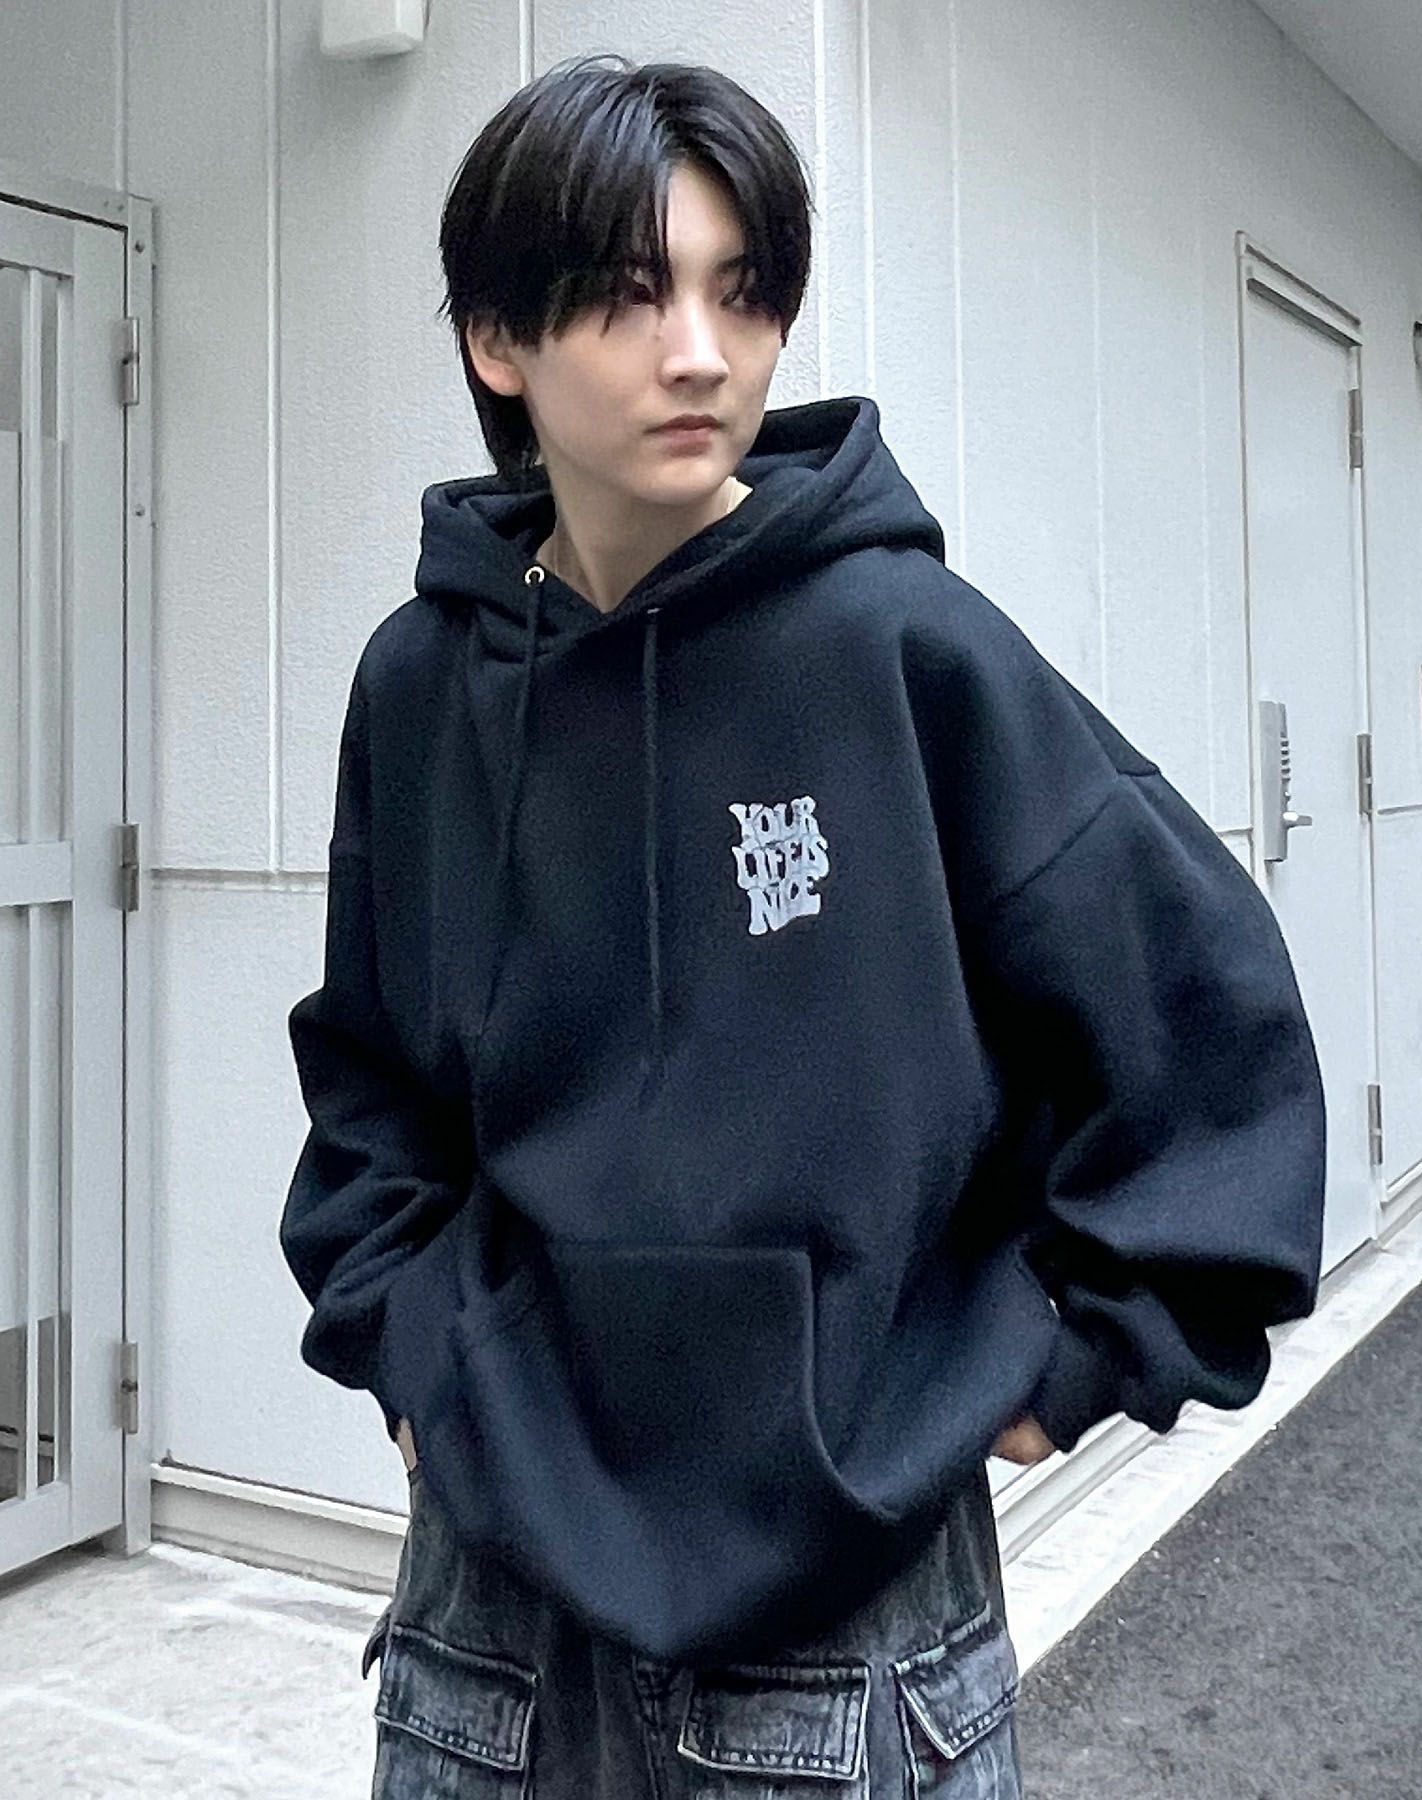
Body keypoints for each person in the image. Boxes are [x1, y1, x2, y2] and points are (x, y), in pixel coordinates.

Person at [279, 51, 1327, 1798]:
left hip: (845, 1621)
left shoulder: (903, 647)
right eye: (631, 296)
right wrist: (415, 1363)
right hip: (489, 1615)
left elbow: (1206, 1032)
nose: (703, 351)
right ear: (496, 340)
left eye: (743, 289)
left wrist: (1060, 1364)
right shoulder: (421, 683)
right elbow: (372, 1079)